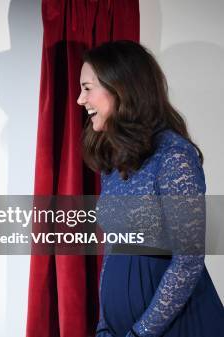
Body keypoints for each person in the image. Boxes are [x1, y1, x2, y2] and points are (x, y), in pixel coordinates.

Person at [77, 40, 224, 337]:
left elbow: (188, 261)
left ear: (121, 88)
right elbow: (114, 250)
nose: (81, 99)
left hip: (178, 328)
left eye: (88, 88)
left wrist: (142, 332)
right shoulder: (116, 158)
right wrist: (105, 324)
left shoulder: (174, 156)